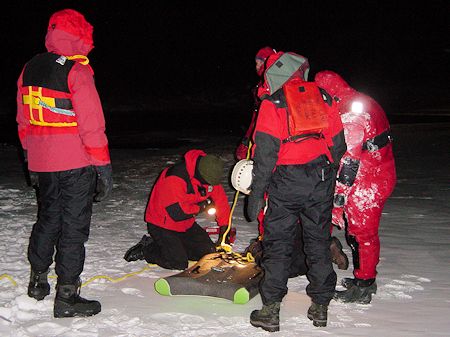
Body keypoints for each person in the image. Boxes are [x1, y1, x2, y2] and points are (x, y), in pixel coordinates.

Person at [16, 9, 112, 318]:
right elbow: (92, 124)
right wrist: (102, 166)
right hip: (75, 163)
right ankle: (67, 296)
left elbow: (23, 120)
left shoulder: (29, 68)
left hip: (43, 162)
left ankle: (38, 281)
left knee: (47, 219)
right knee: (73, 227)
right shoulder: (76, 71)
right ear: (81, 36)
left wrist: (31, 156)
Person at [247, 51, 347, 332]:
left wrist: (256, 196)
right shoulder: (324, 97)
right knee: (318, 241)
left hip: (286, 181)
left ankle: (271, 311)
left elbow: (265, 157)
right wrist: (325, 172)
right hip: (320, 177)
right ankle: (320, 307)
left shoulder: (272, 103)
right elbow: (339, 145)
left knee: (277, 247)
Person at [314, 70, 397, 304]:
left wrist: (338, 202)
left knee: (363, 235)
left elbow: (349, 162)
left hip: (367, 181)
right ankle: (364, 277)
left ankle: (364, 285)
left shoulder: (350, 112)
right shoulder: (363, 100)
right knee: (362, 234)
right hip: (380, 173)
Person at [124, 149, 231, 270]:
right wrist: (202, 206)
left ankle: (177, 247)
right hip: (162, 225)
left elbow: (222, 203)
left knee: (209, 254)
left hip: (186, 224)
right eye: (208, 183)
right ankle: (146, 248)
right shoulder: (175, 177)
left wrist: (224, 230)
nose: (210, 186)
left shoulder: (210, 173)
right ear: (200, 175)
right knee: (178, 262)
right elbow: (177, 213)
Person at [235, 46, 276, 161]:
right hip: (262, 131)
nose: (257, 67)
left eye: (260, 63)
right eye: (256, 63)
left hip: (269, 135)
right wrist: (247, 138)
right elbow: (257, 114)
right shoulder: (262, 82)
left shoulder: (271, 83)